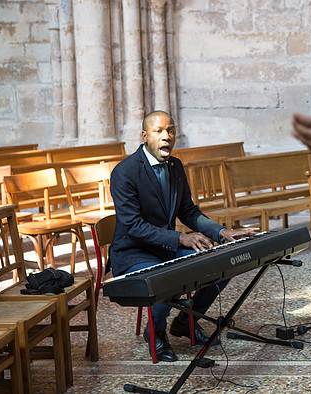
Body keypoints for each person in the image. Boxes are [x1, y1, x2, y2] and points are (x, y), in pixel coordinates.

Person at [109, 111, 256, 362]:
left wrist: (221, 232)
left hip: (165, 248)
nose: (167, 136)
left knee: (223, 263)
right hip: (133, 252)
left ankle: (187, 321)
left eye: (171, 130)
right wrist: (180, 239)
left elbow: (188, 211)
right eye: (159, 131)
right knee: (167, 277)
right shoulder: (125, 172)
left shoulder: (175, 166)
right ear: (144, 136)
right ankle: (155, 333)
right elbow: (133, 225)